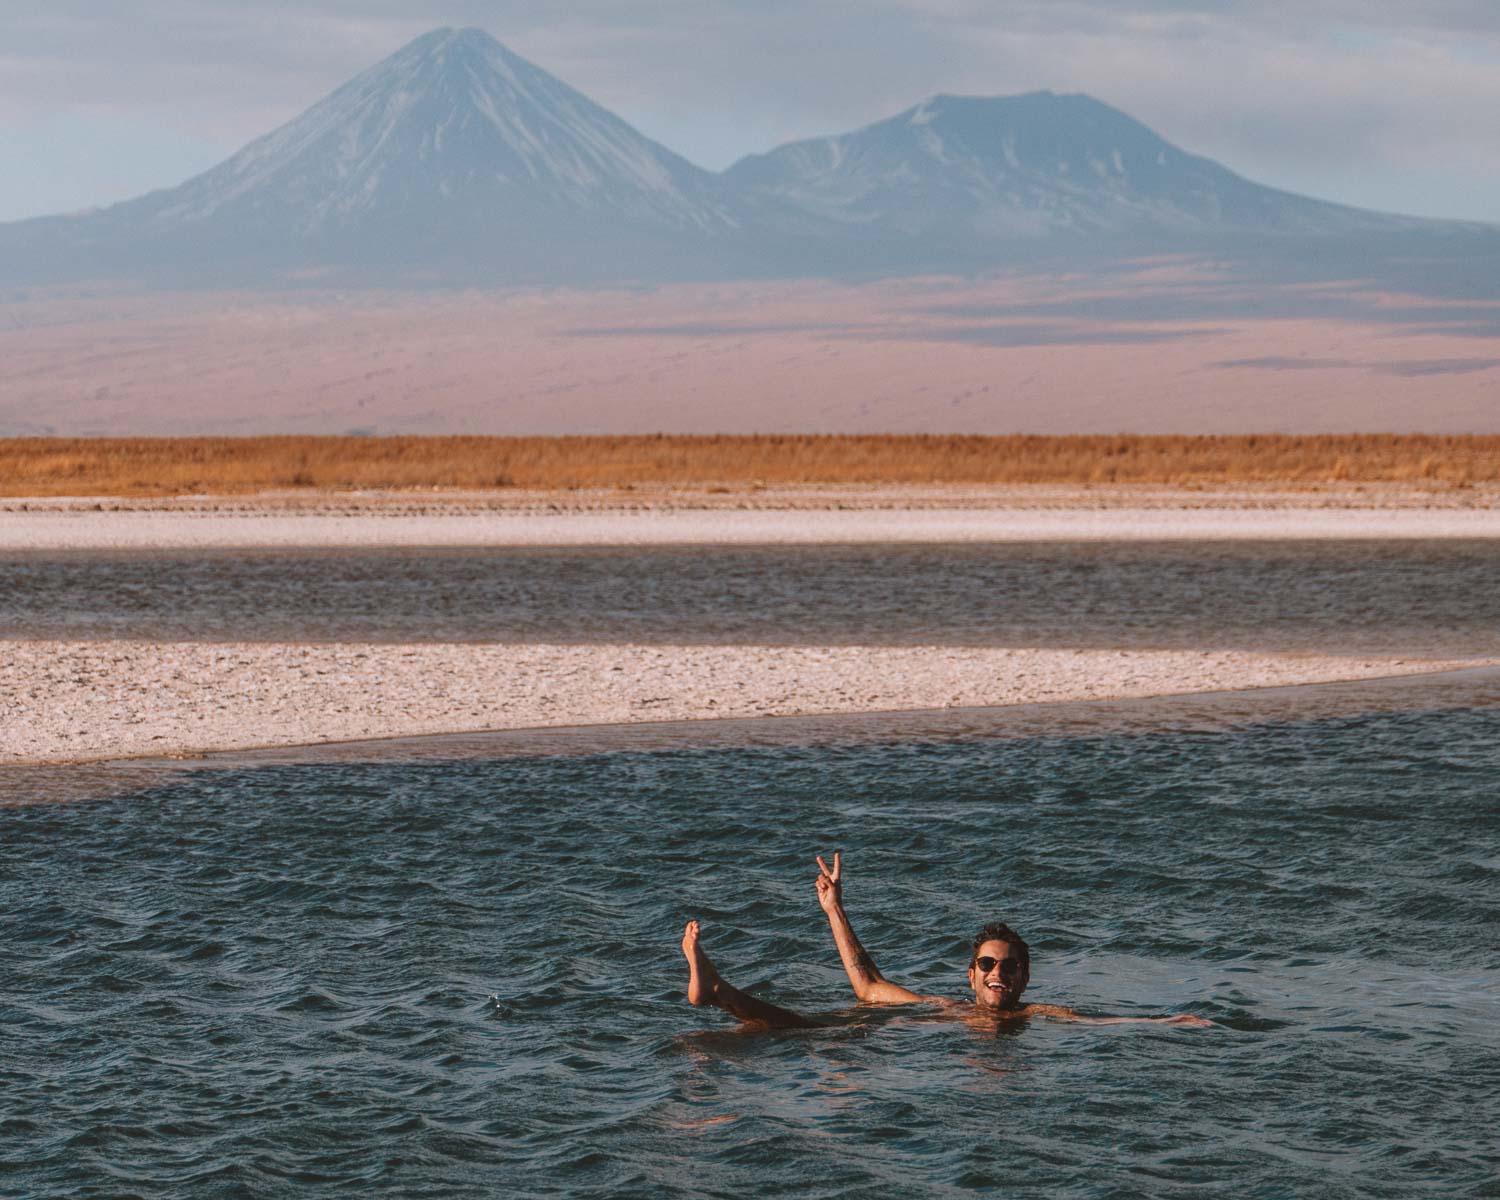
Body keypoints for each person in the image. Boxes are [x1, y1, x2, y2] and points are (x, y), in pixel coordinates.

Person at [681, 851, 1212, 1029]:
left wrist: (1167, 1021)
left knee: (796, 1032)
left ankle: (718, 993)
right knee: (809, 1026)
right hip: (885, 1036)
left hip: (885, 1053)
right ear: (972, 973)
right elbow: (869, 986)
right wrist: (835, 909)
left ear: (1026, 978)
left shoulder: (1038, 1015)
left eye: (1007, 967)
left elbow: (1106, 1024)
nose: (996, 973)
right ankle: (717, 991)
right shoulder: (945, 1005)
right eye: (986, 964)